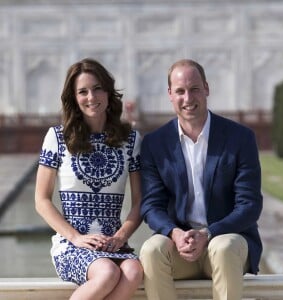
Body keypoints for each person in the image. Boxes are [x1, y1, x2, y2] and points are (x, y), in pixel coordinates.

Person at [139, 58, 263, 300]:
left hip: (226, 239)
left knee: (223, 247)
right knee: (151, 250)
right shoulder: (155, 143)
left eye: (194, 89)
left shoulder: (239, 138)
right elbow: (151, 205)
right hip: (181, 246)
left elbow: (249, 205)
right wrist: (174, 233)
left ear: (206, 88)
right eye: (180, 91)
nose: (188, 99)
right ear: (170, 94)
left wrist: (208, 233)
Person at [35, 58, 143, 300]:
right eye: (82, 92)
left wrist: (121, 237)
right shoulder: (58, 137)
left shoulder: (132, 140)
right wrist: (76, 237)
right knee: (106, 273)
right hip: (72, 244)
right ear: (74, 98)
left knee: (134, 271)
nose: (91, 97)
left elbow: (140, 202)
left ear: (108, 91)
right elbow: (41, 200)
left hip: (113, 243)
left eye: (97, 89)